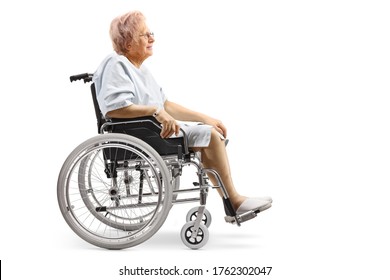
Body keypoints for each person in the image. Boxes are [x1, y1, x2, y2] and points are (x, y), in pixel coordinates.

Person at [93, 10, 272, 219]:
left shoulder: (141, 70)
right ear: (128, 43)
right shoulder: (116, 63)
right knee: (210, 137)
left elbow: (165, 104)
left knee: (208, 131)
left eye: (151, 33)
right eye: (145, 34)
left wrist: (204, 118)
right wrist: (155, 112)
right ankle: (233, 202)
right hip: (140, 135)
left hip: (152, 132)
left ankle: (232, 202)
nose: (152, 38)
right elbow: (114, 108)